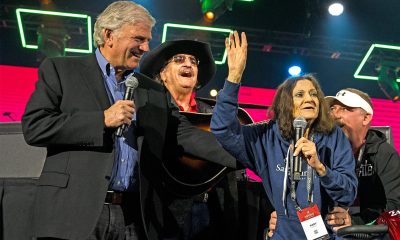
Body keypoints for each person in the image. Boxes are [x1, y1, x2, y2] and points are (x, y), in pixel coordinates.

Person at [21, 2, 237, 239]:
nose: (145, 48)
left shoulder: (152, 90)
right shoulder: (62, 70)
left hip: (131, 217)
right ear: (108, 35)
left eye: (147, 40)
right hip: (73, 212)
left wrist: (250, 151)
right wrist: (101, 120)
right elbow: (35, 126)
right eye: (138, 39)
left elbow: (182, 134)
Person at [210, 31, 358, 239]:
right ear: (286, 104)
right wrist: (234, 76)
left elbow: (348, 192)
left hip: (327, 234)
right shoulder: (266, 137)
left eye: (314, 94)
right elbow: (223, 130)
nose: (310, 98)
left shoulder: (334, 136)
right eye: (300, 94)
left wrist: (320, 168)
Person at [140, 40, 240, 240]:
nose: (188, 64)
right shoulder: (148, 110)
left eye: (193, 62)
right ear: (163, 73)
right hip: (164, 212)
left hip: (212, 211)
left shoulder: (214, 115)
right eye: (179, 60)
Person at [325, 88, 400, 230]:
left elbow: (394, 206)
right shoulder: (321, 153)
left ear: (365, 118)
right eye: (333, 109)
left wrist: (355, 222)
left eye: (345, 109)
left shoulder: (385, 154)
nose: (335, 115)